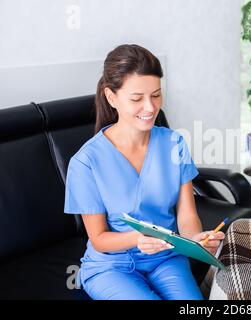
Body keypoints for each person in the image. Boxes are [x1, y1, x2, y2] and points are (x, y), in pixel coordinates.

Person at [64, 44, 224, 300]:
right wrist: (138, 238)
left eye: (156, 95)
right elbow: (99, 239)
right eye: (137, 98)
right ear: (111, 97)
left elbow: (186, 215)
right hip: (112, 266)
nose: (150, 108)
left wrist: (196, 239)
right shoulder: (86, 162)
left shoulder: (174, 143)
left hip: (166, 258)